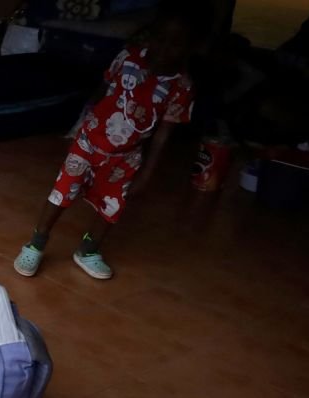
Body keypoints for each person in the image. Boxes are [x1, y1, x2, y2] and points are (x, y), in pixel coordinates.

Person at [13, 4, 206, 280]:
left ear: (191, 48)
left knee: (113, 204)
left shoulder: (182, 86)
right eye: (160, 38)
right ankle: (37, 242)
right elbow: (101, 91)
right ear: (150, 35)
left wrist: (147, 173)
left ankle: (89, 249)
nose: (164, 48)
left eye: (176, 44)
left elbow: (164, 133)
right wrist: (80, 125)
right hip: (89, 142)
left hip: (126, 156)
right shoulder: (128, 59)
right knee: (62, 192)